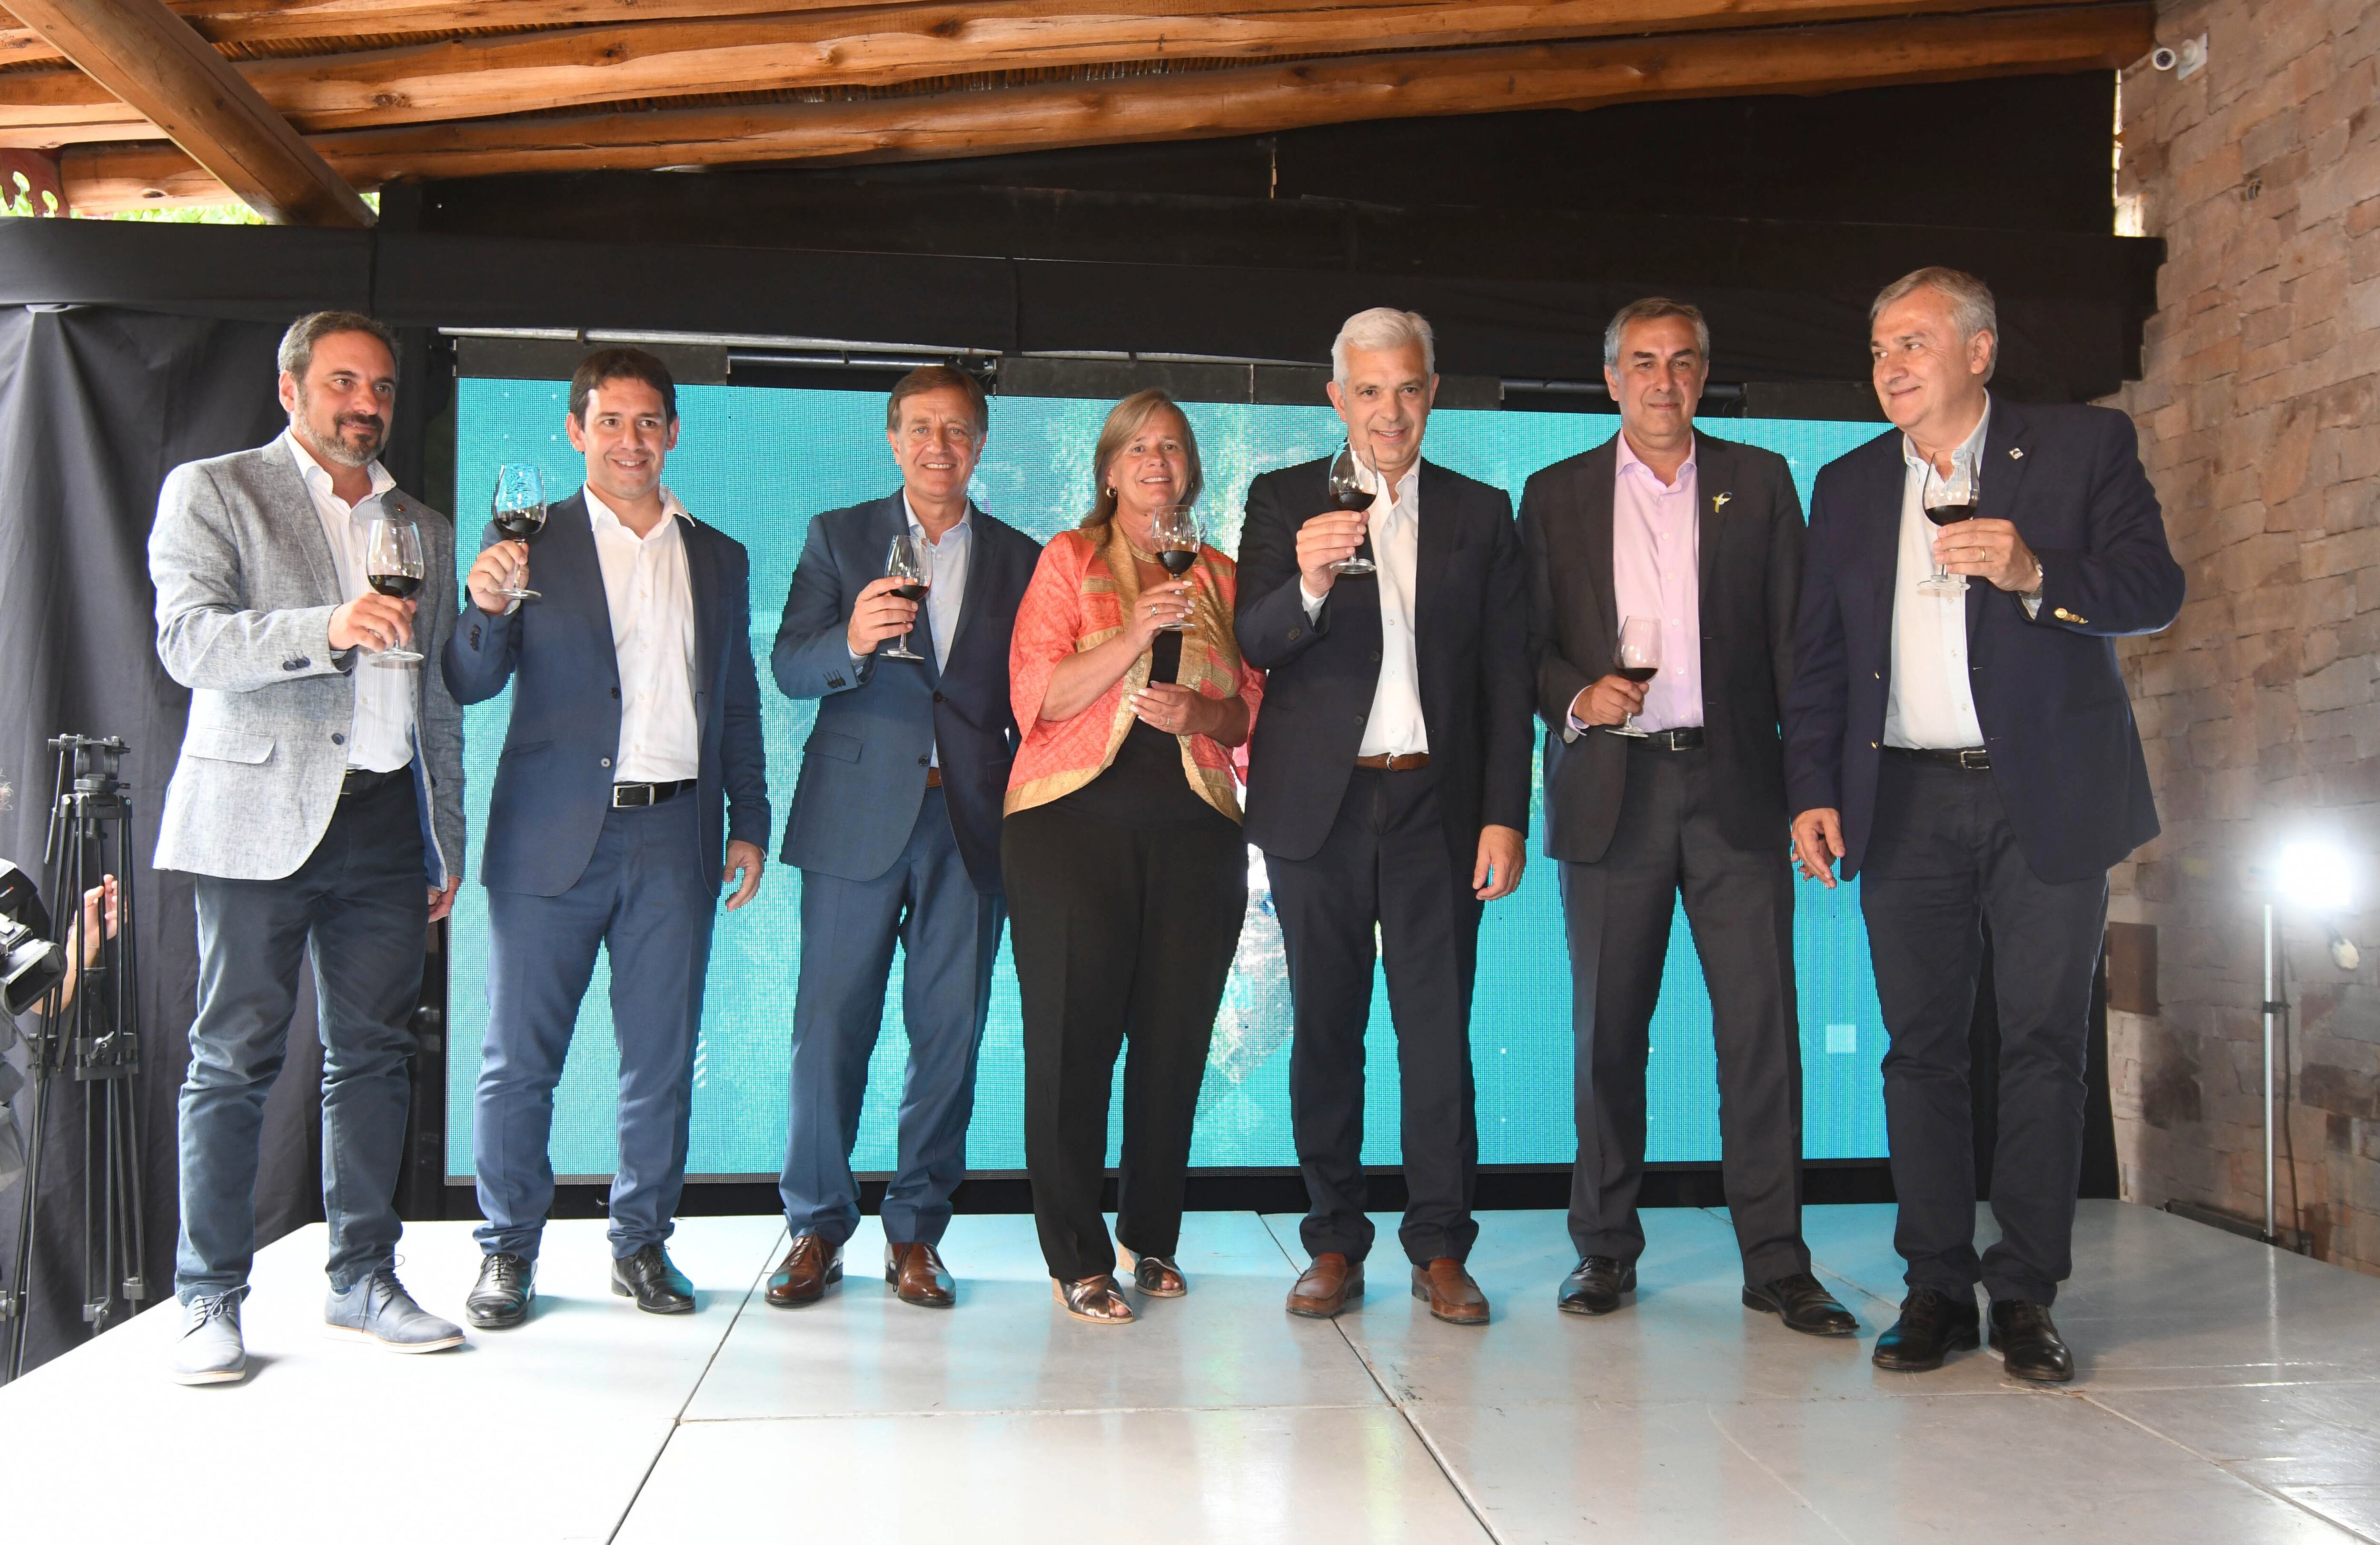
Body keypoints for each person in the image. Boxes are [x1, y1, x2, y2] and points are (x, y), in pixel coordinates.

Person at [1785, 267, 2183, 1381]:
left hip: (2043, 792)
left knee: (2043, 1049)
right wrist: (1810, 787)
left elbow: (2155, 589)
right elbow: (1818, 656)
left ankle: (2024, 1297)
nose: (1890, 367)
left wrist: (2033, 572)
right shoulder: (1851, 483)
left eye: (1912, 343)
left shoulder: (2082, 450)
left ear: (1979, 352)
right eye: (1877, 350)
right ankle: (1934, 1289)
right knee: (1917, 1055)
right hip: (1901, 797)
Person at [1520, 298, 1855, 1335]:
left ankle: (1777, 1262)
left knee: (1760, 1034)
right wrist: (1578, 697)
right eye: (1641, 363)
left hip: (1736, 790)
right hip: (1611, 788)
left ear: (1702, 375)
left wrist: (1813, 789)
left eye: (1680, 363)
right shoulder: (1553, 493)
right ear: (1610, 377)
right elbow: (1522, 649)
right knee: (1605, 1039)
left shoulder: (1759, 482)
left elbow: (1802, 654)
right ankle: (1604, 1254)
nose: (1662, 382)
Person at [149, 310, 467, 1385]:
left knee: (375, 1055)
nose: (365, 404)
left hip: (385, 820)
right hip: (254, 820)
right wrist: (327, 627)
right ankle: (207, 1300)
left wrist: (443, 837)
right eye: (342, 382)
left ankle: (363, 1277)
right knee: (232, 1058)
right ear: (292, 391)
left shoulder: (420, 521)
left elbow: (440, 707)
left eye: (379, 387)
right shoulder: (217, 489)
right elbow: (190, 643)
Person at [445, 347, 769, 1326]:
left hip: (676, 836)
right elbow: (467, 682)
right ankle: (506, 1252)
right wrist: (484, 607)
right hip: (551, 840)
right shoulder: (526, 545)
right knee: (518, 1062)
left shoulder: (717, 554)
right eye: (610, 421)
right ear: (576, 430)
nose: (631, 440)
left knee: (661, 1060)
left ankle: (641, 1245)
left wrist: (748, 821)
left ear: (673, 433)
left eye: (648, 422)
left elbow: (738, 700)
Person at [1236, 307, 1532, 1327]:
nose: (1389, 410)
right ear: (1336, 400)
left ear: (1431, 392)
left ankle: (1441, 1246)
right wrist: (1311, 578)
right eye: (1368, 390)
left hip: (1436, 809)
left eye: (1406, 387)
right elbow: (1256, 639)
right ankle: (1332, 1240)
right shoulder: (1282, 500)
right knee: (1325, 1030)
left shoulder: (1483, 514)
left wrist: (1504, 816)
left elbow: (1505, 680)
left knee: (1436, 1033)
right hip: (1318, 808)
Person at [764, 366, 1038, 1310]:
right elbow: (789, 667)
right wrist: (850, 639)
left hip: (969, 819)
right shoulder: (839, 536)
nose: (938, 446)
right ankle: (815, 1228)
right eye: (921, 429)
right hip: (853, 817)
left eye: (957, 431)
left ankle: (917, 1232)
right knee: (829, 1028)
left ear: (980, 444)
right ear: (893, 440)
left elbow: (1035, 696)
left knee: (949, 1034)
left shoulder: (1021, 557)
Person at [1003, 390, 1261, 1325]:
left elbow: (1248, 708)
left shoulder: (1221, 577)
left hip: (1195, 832)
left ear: (1189, 470)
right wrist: (1135, 637)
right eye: (1138, 449)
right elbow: (1037, 692)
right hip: (1067, 827)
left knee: (1173, 1043)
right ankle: (1076, 1256)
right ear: (1109, 470)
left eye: (1173, 449)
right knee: (1072, 1045)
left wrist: (1205, 715)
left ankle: (1150, 1236)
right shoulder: (1069, 561)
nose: (1157, 462)